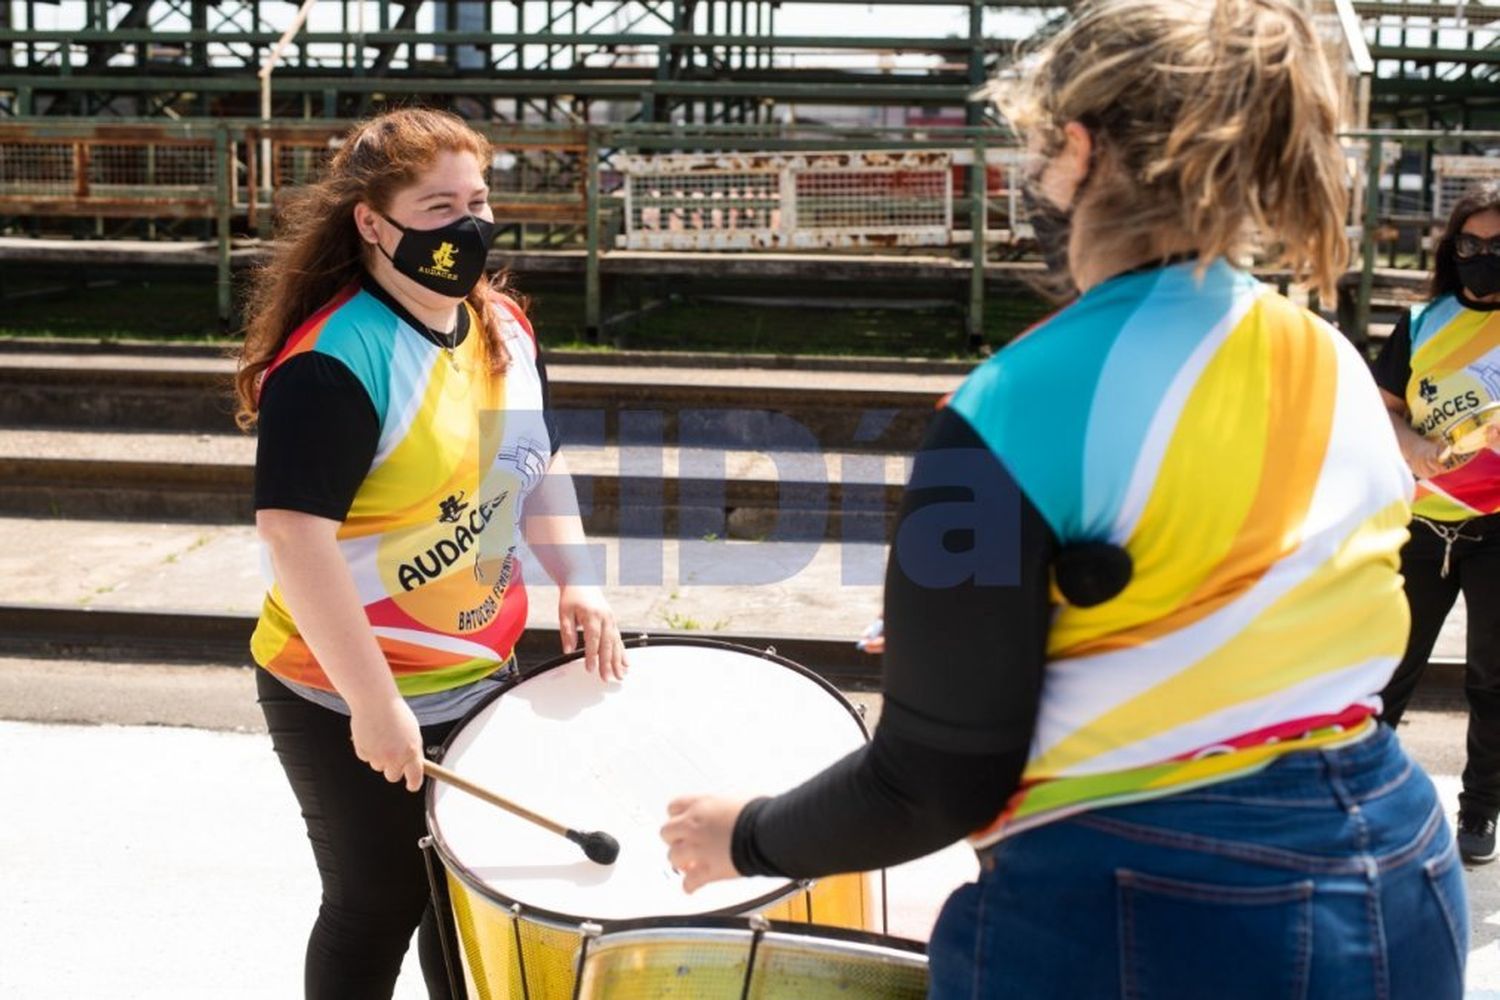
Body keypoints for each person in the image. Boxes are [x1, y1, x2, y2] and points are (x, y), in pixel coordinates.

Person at [661, 2, 1469, 996]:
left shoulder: (1014, 401)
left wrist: (742, 834)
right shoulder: (1327, 358)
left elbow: (933, 781)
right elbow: (1242, 598)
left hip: (1155, 904)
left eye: (1038, 152)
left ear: (1079, 151)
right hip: (1399, 863)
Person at [234, 108, 626, 1000]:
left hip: (478, 672)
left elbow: (536, 466)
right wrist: (373, 705)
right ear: (372, 222)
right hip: (337, 687)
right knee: (378, 903)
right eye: (438, 205)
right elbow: (294, 538)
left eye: (478, 201)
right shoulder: (333, 360)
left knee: (472, 905)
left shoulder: (505, 329)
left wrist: (580, 582)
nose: (466, 227)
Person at [1373, 180, 1500, 865]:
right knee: (1388, 669)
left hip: (1497, 529)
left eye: (1498, 246)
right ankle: (1366, 801)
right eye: (1471, 244)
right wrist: (1415, 445)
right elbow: (1385, 407)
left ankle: (1479, 814)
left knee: (1493, 680)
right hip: (1423, 525)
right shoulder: (1422, 323)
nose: (1483, 256)